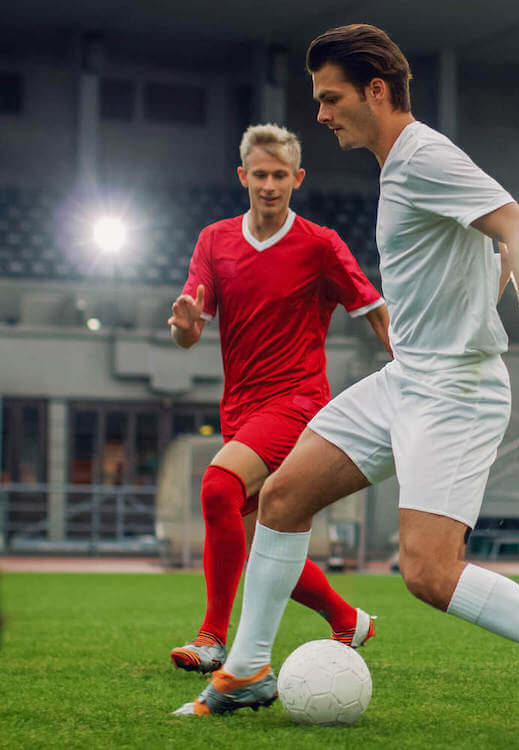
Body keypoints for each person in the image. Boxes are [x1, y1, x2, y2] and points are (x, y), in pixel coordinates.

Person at [174, 26, 519, 742]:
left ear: (376, 90)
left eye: (331, 99)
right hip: (409, 378)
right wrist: (474, 302)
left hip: (454, 392)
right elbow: (487, 253)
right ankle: (245, 670)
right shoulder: (401, 167)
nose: (323, 115)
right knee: (282, 496)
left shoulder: (423, 156)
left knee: (429, 572)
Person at [168, 122, 390, 674]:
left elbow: (374, 310)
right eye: (260, 174)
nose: (270, 185)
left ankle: (212, 637)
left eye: (280, 175)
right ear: (243, 176)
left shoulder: (319, 244)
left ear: (298, 179)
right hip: (240, 409)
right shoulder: (214, 240)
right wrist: (185, 327)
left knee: (218, 485)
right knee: (261, 532)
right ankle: (348, 619)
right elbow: (189, 332)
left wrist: (414, 369)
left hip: (298, 401)